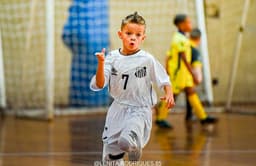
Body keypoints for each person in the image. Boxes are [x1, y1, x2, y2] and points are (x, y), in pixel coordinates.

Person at [90, 12, 175, 164]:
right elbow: (99, 84)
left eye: (138, 34)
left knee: (125, 141)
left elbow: (164, 80)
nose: (133, 37)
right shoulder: (112, 57)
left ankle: (134, 145)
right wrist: (101, 63)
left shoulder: (147, 59)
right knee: (110, 159)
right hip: (117, 109)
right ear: (120, 34)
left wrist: (169, 94)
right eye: (128, 33)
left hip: (139, 109)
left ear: (143, 38)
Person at [155, 14, 217, 129]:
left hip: (183, 74)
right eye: (188, 22)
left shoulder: (182, 38)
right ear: (181, 25)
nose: (190, 24)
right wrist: (192, 73)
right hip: (179, 73)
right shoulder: (178, 39)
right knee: (172, 94)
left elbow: (169, 55)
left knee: (191, 91)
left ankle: (203, 117)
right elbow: (184, 58)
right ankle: (160, 118)